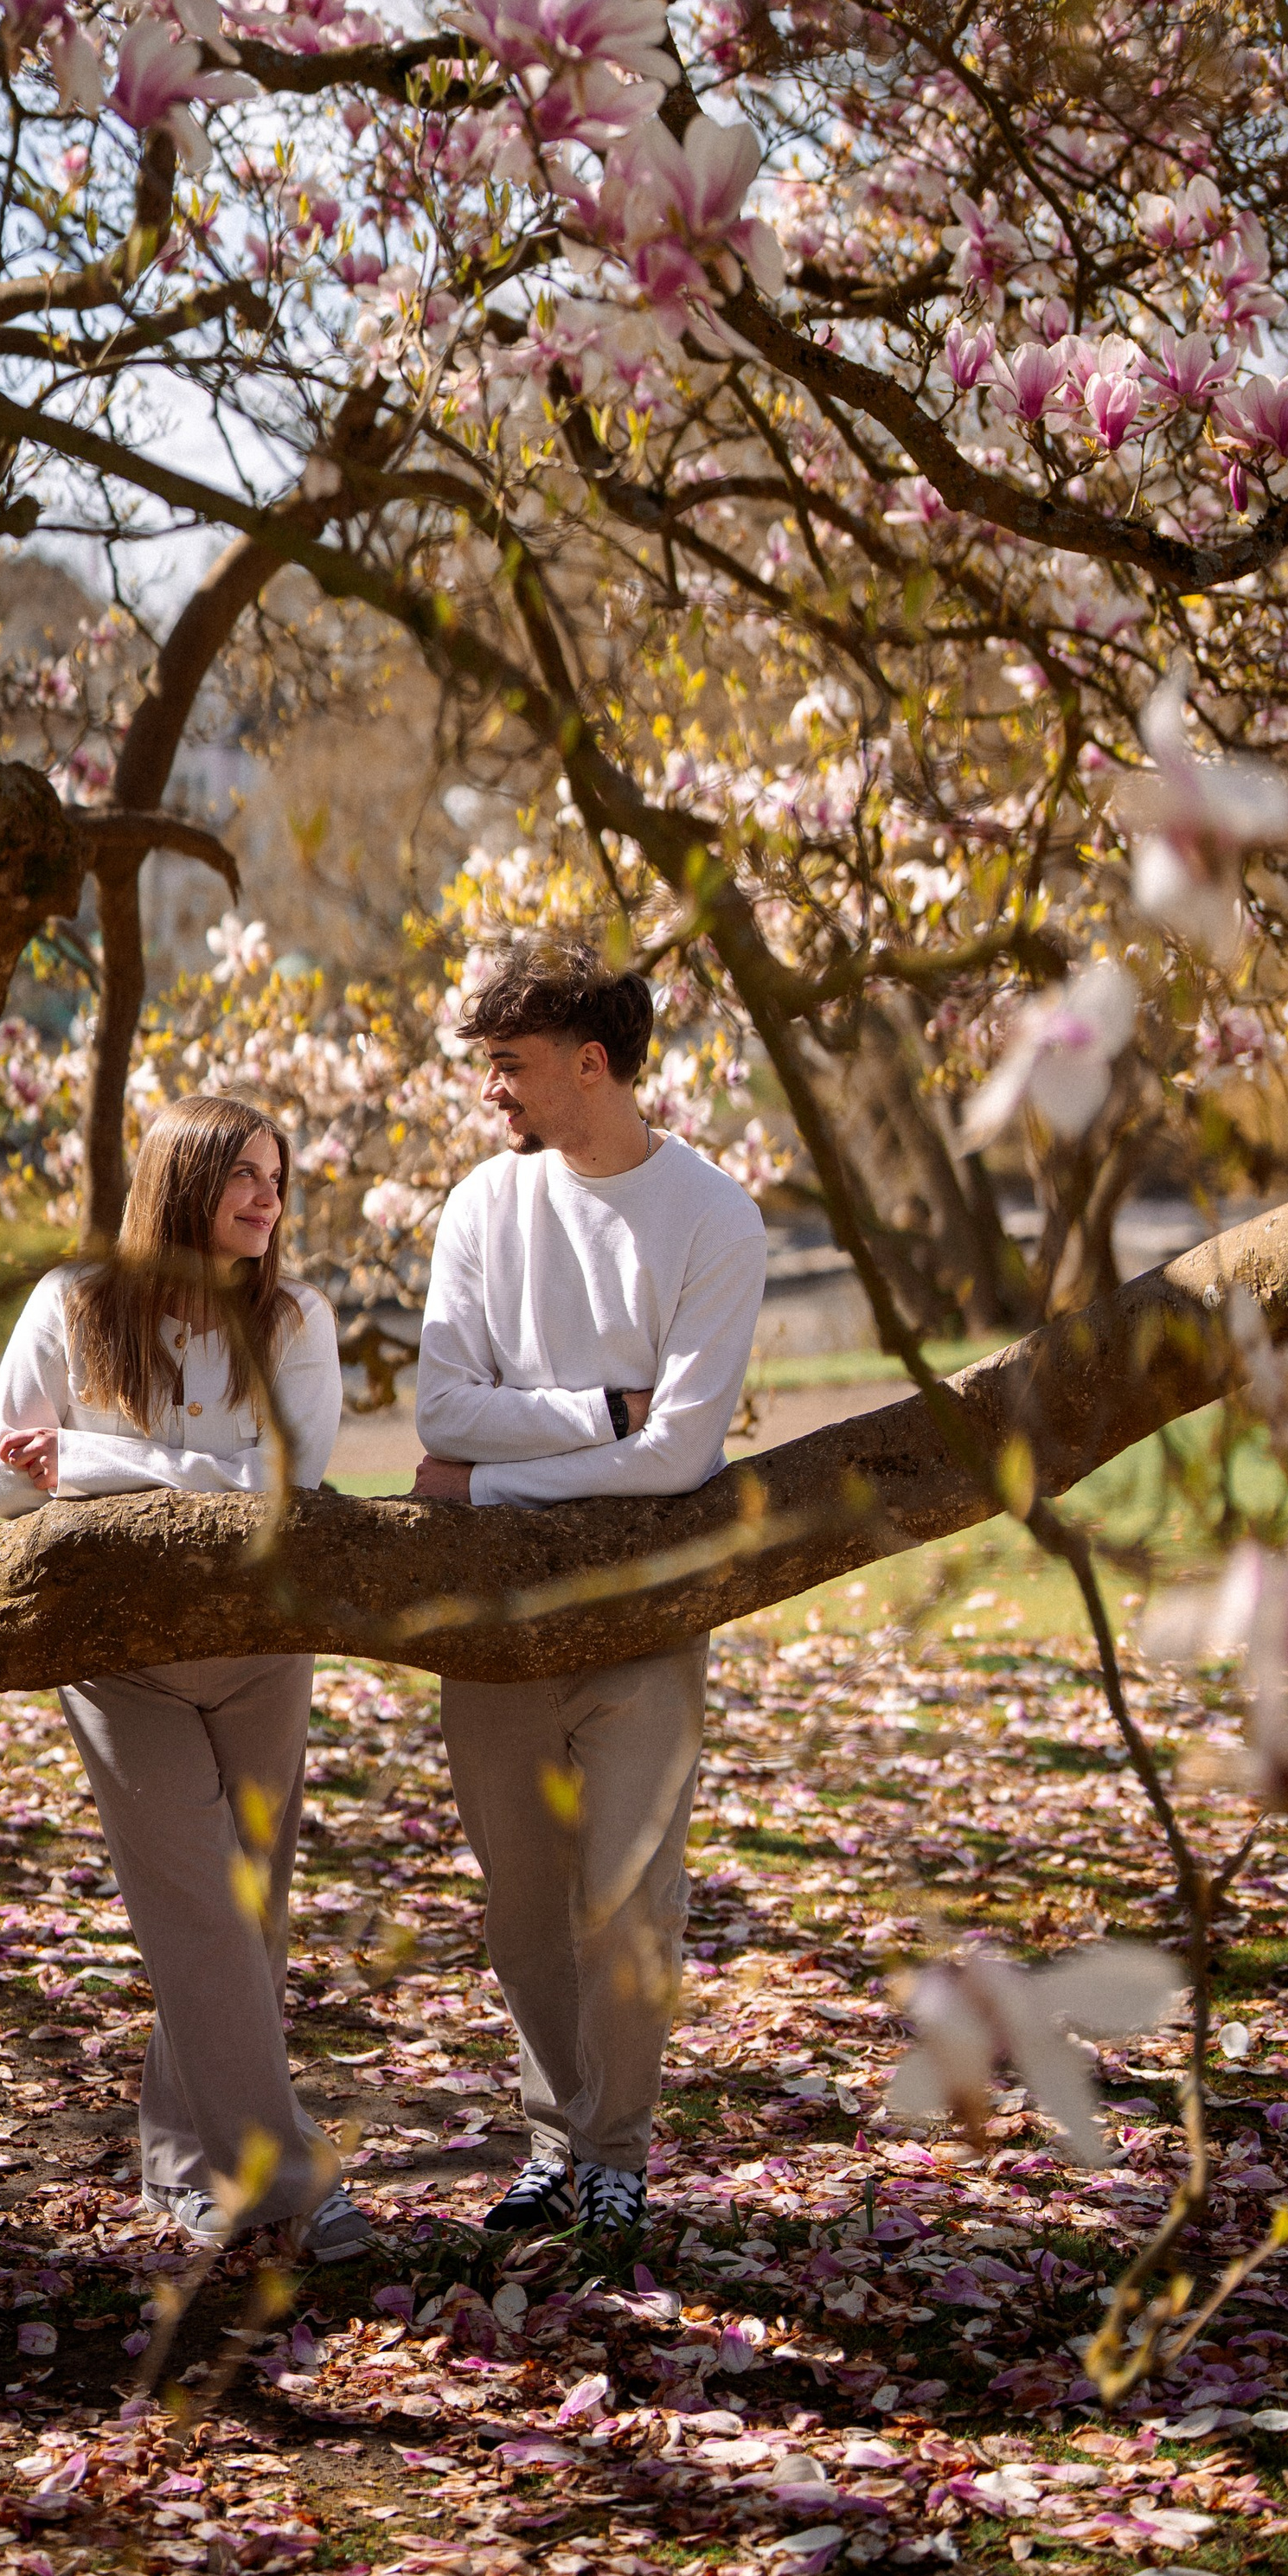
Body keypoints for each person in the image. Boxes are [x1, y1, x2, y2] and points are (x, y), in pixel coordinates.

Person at [0, 1090, 372, 2263]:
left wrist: (95, 1458)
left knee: (240, 1919)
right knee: (202, 1914)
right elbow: (1, 1487)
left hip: (262, 1655)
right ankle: (287, 2180)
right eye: (244, 1174)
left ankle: (175, 2160)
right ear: (182, 1184)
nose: (269, 1197)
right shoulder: (70, 1307)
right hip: (122, 1664)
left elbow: (282, 1490)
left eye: (278, 1175)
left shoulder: (295, 1318)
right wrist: (182, 1471)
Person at [413, 945, 768, 2234]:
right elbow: (439, 1403)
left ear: (591, 1065)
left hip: (647, 1617)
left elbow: (682, 1455)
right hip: (494, 1628)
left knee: (630, 1903)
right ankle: (552, 2142)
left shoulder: (715, 1218)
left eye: (509, 1066)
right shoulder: (480, 1209)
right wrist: (594, 1421)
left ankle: (616, 2154)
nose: (493, 1091)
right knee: (523, 1911)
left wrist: (491, 1484)